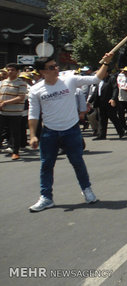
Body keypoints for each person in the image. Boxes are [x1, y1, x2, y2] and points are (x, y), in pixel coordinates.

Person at [27, 52, 115, 212]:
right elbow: (33, 115)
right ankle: (46, 197)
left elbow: (96, 79)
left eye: (56, 65)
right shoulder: (35, 90)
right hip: (49, 132)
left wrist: (106, 63)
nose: (56, 69)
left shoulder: (70, 80)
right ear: (43, 72)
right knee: (46, 165)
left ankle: (87, 190)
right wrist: (33, 135)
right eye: (52, 67)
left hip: (71, 130)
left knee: (77, 162)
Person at [0, 63, 28, 160]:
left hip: (15, 113)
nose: (10, 72)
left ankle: (15, 152)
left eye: (12, 70)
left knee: (15, 133)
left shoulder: (21, 83)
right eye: (9, 70)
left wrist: (5, 102)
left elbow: (21, 97)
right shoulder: (2, 82)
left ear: (17, 71)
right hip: (2, 112)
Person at [89, 69, 125, 140]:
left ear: (107, 72)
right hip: (100, 102)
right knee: (102, 119)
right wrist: (89, 101)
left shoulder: (111, 79)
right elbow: (96, 92)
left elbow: (115, 89)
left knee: (113, 117)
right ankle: (102, 135)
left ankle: (121, 132)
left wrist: (113, 99)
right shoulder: (99, 80)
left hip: (109, 102)